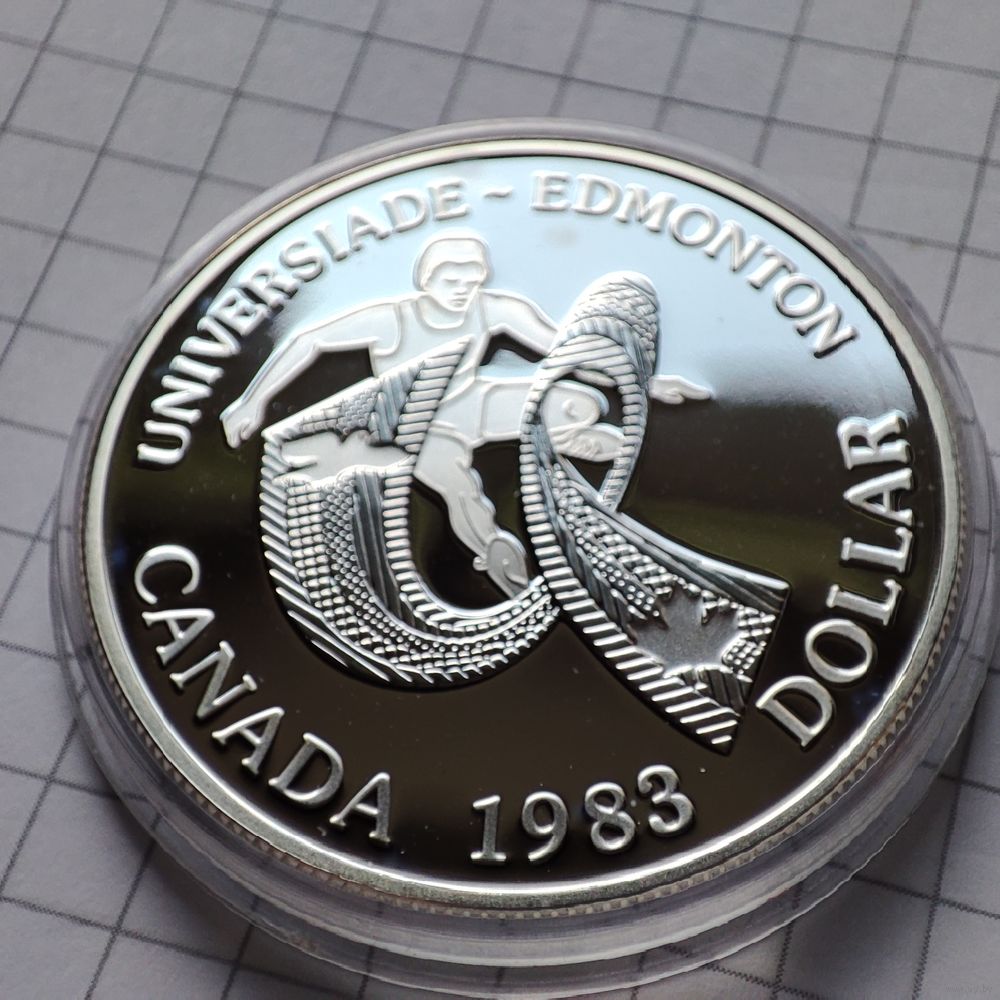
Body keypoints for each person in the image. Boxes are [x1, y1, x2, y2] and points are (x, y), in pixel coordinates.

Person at [222, 231, 694, 596]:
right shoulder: (393, 318)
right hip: (423, 425)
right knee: (458, 490)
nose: (463, 291)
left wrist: (644, 385)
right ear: (426, 280)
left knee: (576, 400)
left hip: (477, 401)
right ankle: (498, 557)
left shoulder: (494, 308)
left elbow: (564, 352)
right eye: (452, 281)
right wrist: (252, 400)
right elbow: (308, 340)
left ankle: (567, 435)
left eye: (472, 281)